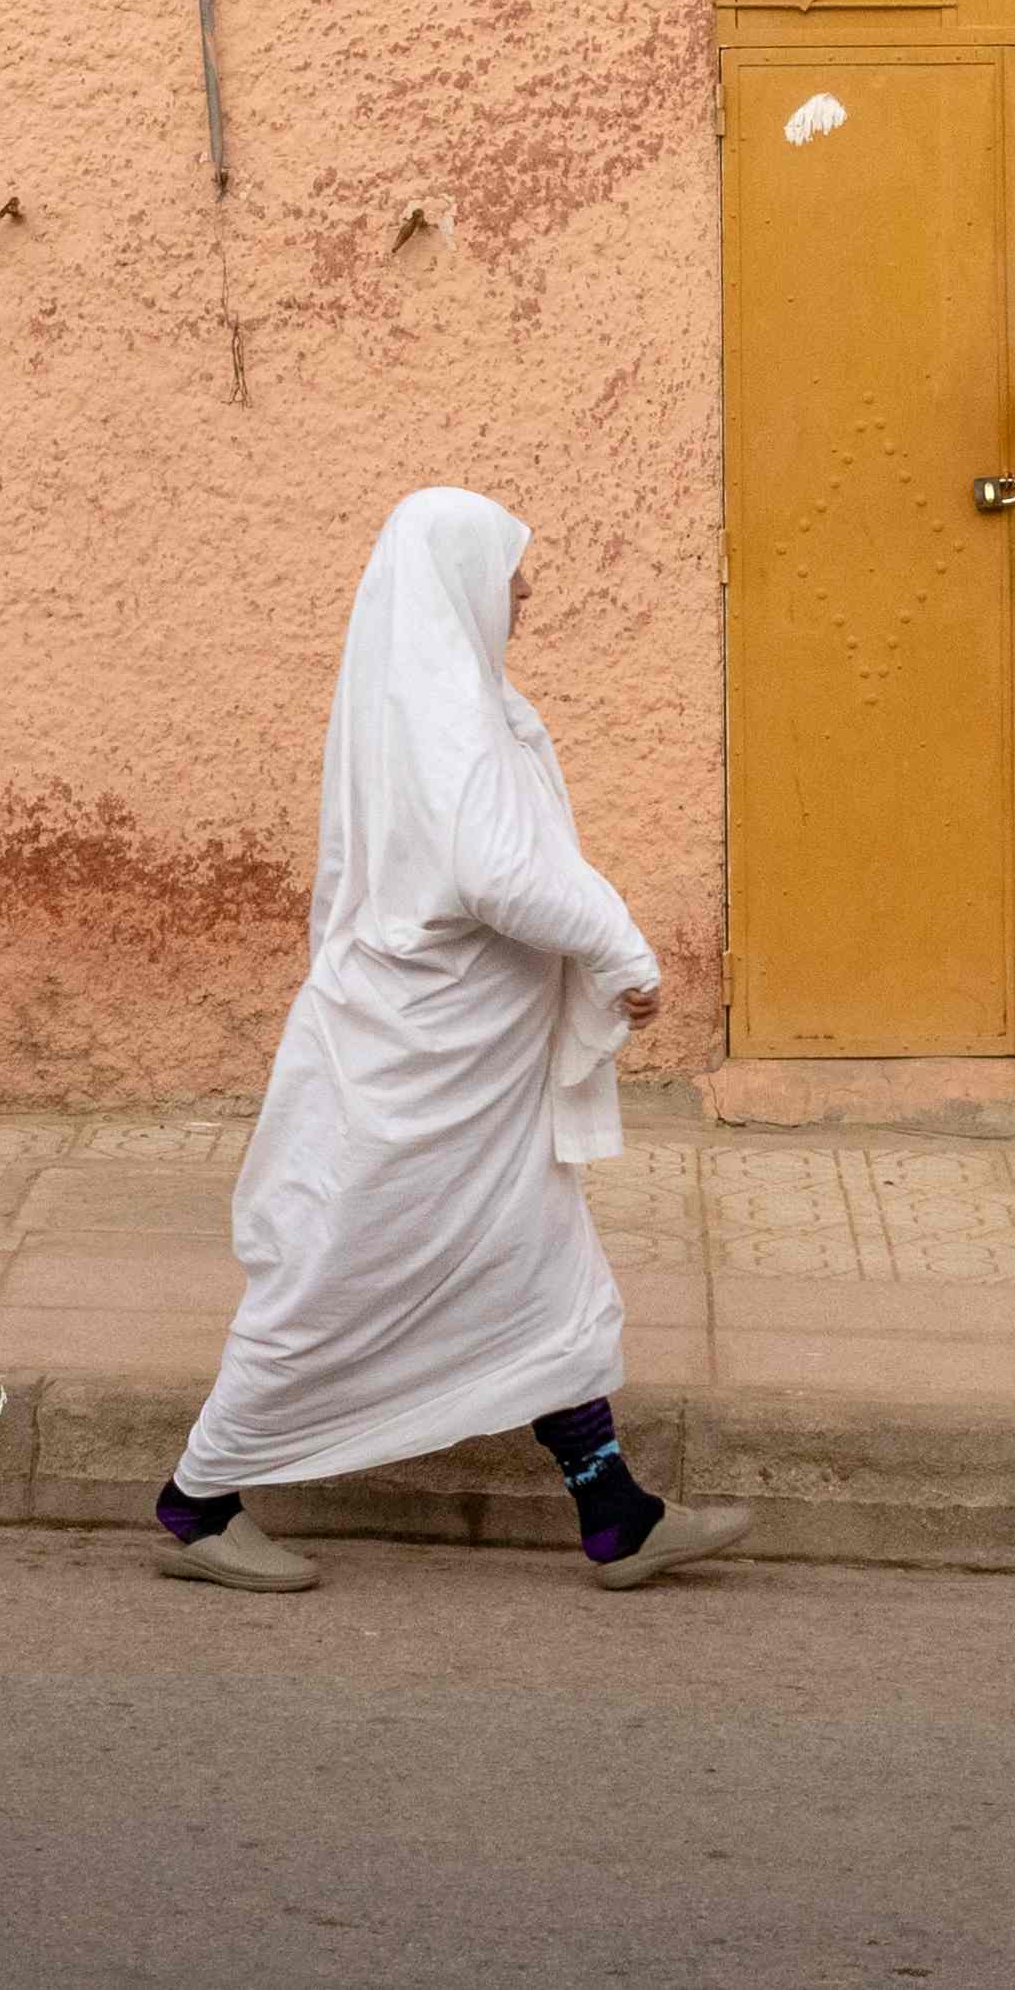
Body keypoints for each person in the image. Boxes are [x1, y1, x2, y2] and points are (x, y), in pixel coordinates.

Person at [150, 487, 754, 1595]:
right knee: (339, 1271)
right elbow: (498, 871)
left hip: (451, 1061)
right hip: (418, 1069)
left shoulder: (423, 699)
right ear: (460, 577)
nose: (525, 587)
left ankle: (616, 1511)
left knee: (528, 1260)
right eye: (512, 567)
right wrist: (622, 951)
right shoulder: (448, 713)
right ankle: (198, 1497)